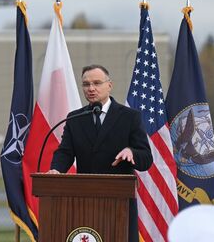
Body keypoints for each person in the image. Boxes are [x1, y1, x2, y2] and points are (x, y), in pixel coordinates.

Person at [48, 64, 152, 242]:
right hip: (85, 198)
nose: (91, 88)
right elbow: (65, 152)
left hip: (119, 201)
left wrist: (131, 151)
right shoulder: (75, 118)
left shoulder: (129, 117)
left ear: (109, 85)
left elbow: (146, 158)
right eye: (86, 84)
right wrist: (56, 170)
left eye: (96, 83)